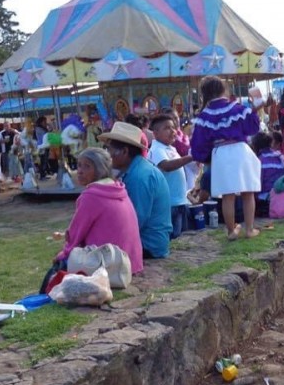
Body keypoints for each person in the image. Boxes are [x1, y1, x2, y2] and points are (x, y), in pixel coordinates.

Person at [191, 76, 262, 240]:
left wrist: (202, 157)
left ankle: (231, 231)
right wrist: (256, 108)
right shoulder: (236, 108)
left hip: (221, 152)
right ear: (224, 90)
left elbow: (199, 142)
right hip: (240, 150)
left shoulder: (204, 116)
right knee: (248, 192)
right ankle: (250, 229)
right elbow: (252, 127)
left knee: (227, 195)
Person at [54, 147, 143, 273]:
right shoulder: (117, 188)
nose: (80, 171)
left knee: (57, 270)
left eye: (87, 166)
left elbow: (76, 234)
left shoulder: (91, 196)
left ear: (100, 170)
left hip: (110, 266)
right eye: (79, 166)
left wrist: (63, 255)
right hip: (132, 263)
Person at [99, 122, 171, 259]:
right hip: (150, 240)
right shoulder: (137, 169)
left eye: (110, 150)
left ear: (125, 152)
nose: (108, 155)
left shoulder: (138, 177)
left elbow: (135, 220)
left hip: (148, 244)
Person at [148, 113, 192, 239]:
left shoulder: (170, 148)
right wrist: (190, 158)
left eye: (173, 127)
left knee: (180, 235)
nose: (172, 131)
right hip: (169, 204)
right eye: (167, 128)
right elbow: (166, 165)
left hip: (179, 201)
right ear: (155, 133)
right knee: (172, 235)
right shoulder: (156, 149)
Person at [251, 131, 284, 216]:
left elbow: (258, 185)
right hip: (282, 193)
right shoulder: (280, 157)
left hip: (266, 198)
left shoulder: (259, 161)